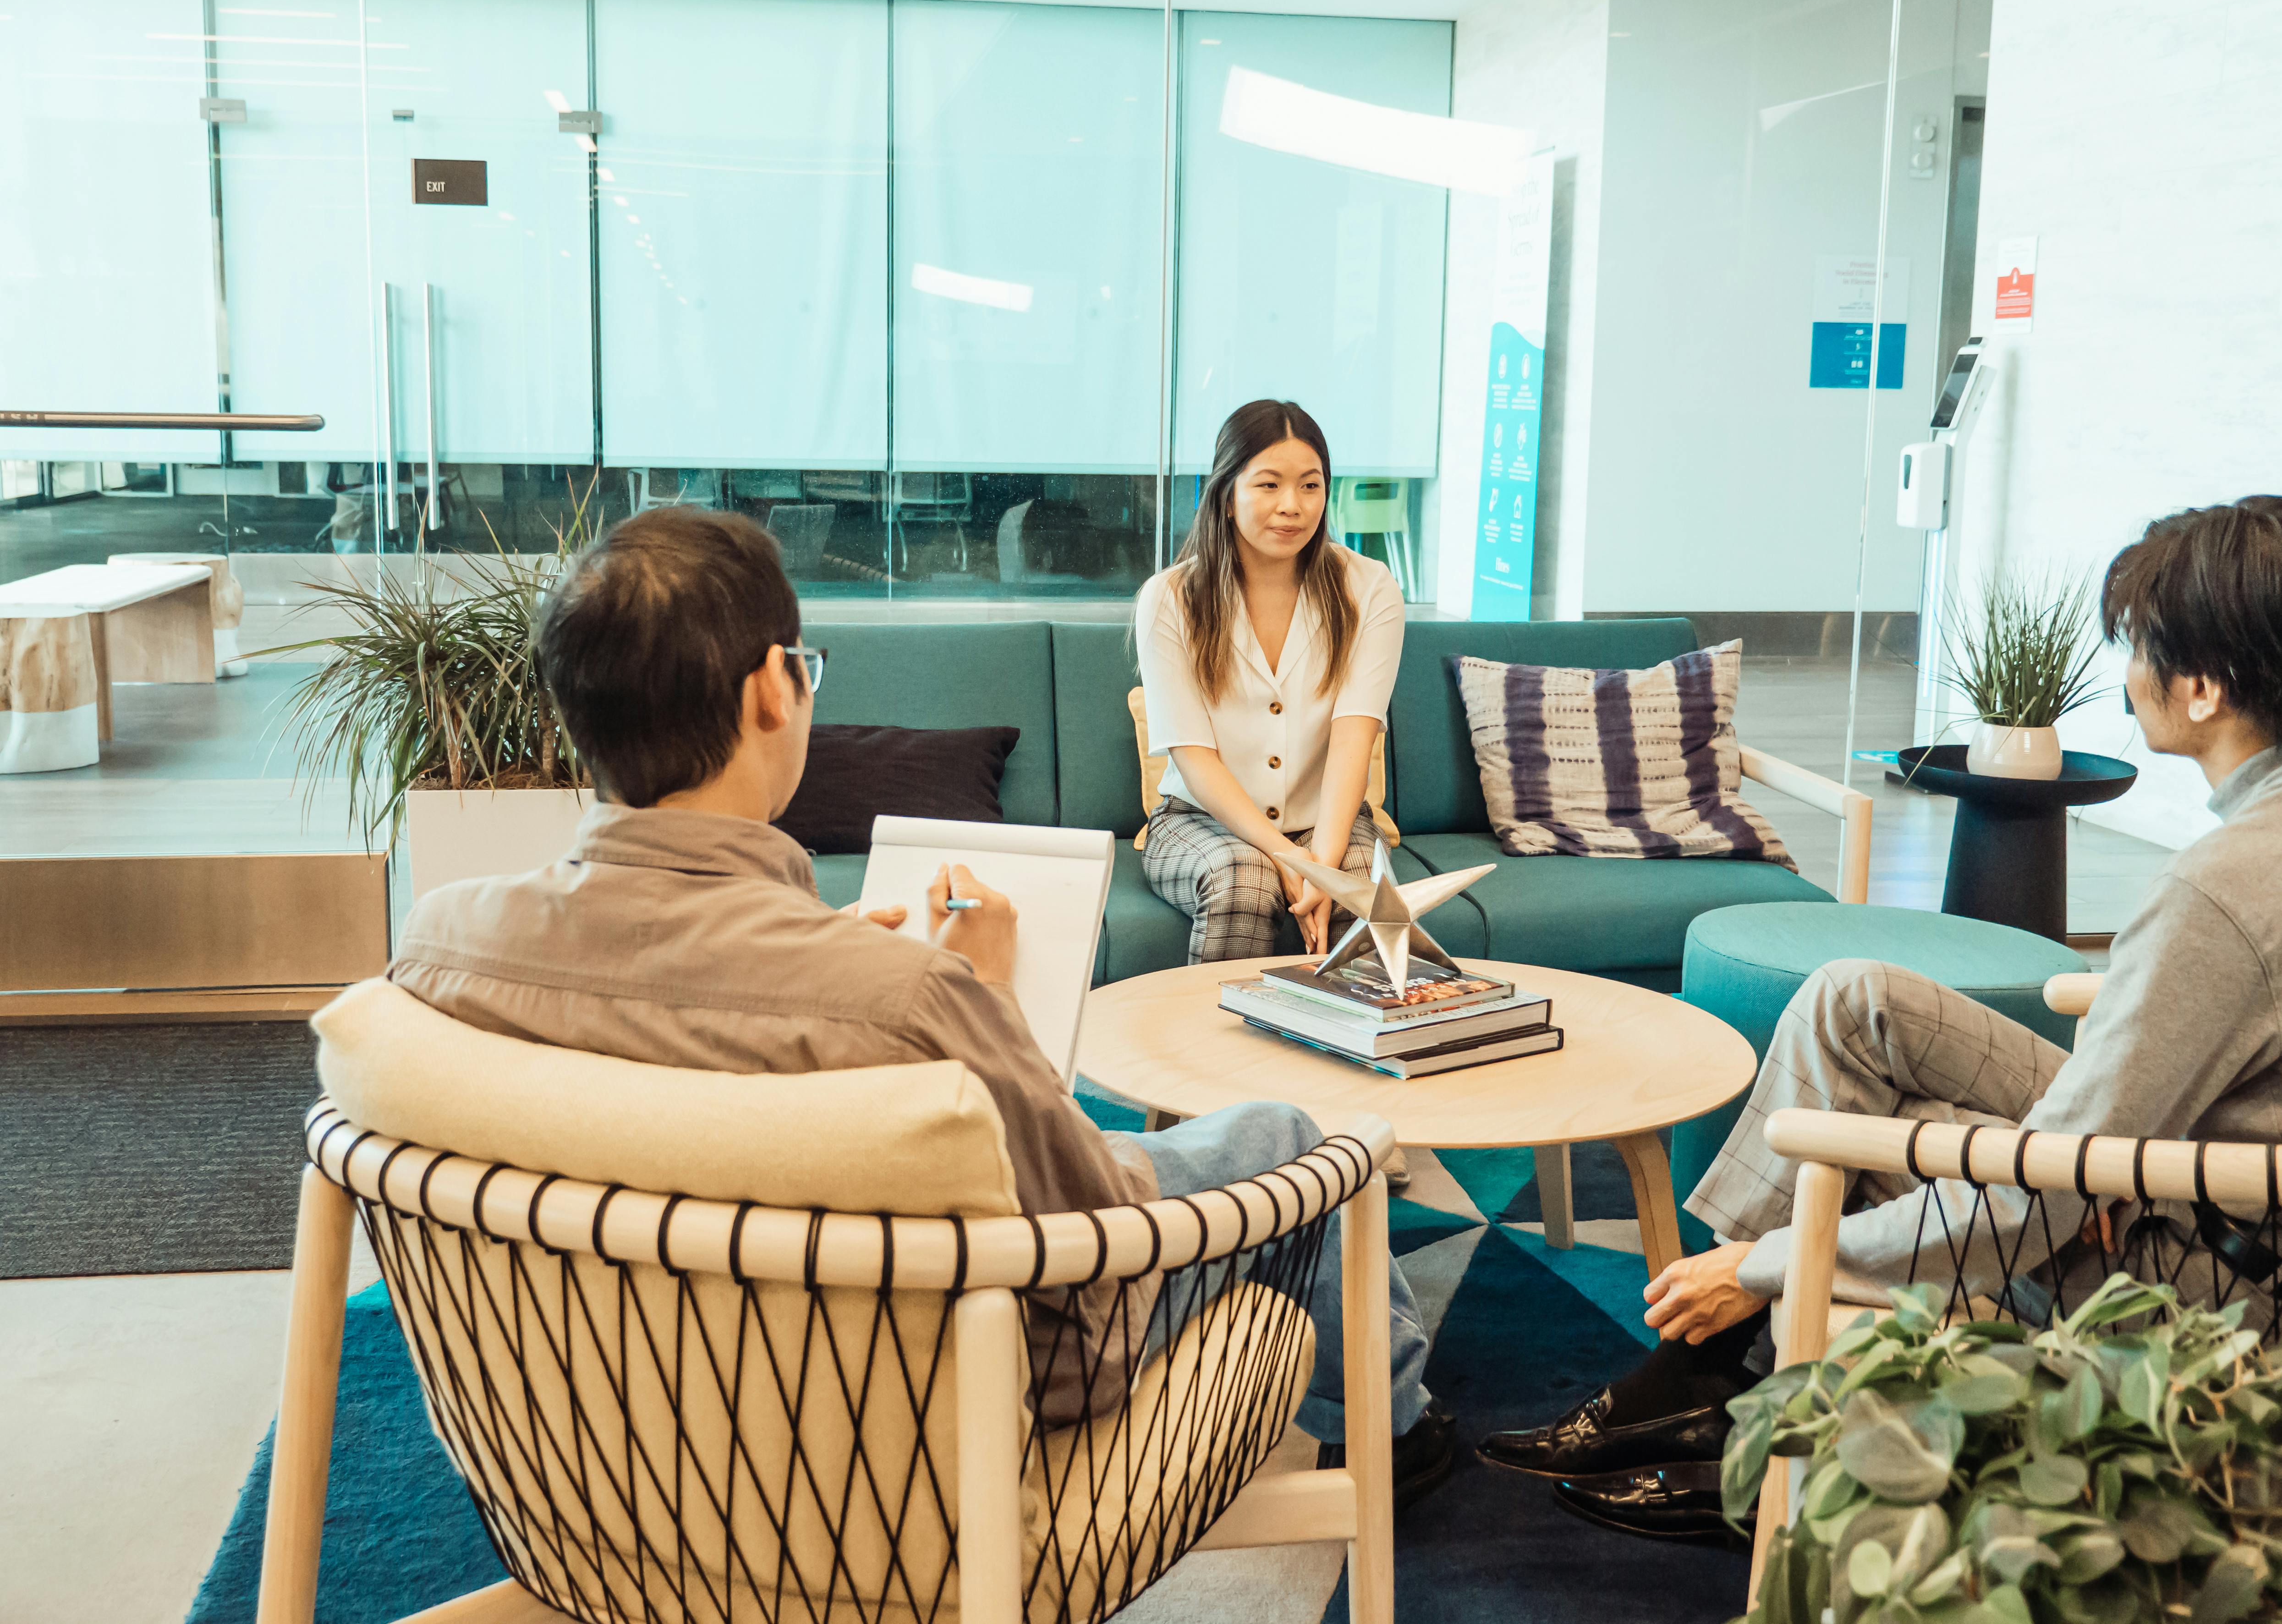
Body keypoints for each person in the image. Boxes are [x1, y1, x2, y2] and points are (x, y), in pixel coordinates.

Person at [385, 506, 1457, 1503]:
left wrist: (834, 970)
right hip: (913, 1444)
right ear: (773, 688)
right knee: (1288, 1135)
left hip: (597, 1442)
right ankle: (1402, 1439)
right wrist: (984, 1000)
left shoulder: (439, 949)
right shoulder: (909, 999)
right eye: (805, 670)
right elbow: (1082, 1246)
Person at [1481, 496, 2282, 1543]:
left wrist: (1754, 1260)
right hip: (2178, 1169)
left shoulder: (2220, 890)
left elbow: (2037, 1204)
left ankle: (1757, 1416)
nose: (2124, 671)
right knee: (1854, 1003)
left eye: (2137, 644)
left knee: (1848, 1140)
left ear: (2204, 685)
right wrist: (2089, 1143)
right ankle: (1722, 1371)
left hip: (2199, 1271)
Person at [1137, 401, 1406, 963]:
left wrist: (1321, 863)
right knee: (1245, 877)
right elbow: (1194, 758)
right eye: (1268, 485)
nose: (1292, 506)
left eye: (1311, 486)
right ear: (1226, 494)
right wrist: (1287, 855)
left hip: (1331, 821)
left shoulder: (1370, 588)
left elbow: (1353, 740)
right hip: (1199, 821)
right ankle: (1211, 1050)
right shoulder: (1169, 598)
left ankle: (1356, 1046)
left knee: (1359, 882)